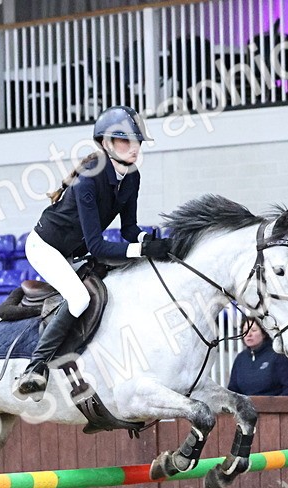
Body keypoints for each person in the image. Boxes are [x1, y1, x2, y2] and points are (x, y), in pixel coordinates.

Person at [15, 105, 177, 400]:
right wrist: (142, 250)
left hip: (75, 251)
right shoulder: (89, 178)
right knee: (79, 298)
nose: (135, 147)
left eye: (137, 141)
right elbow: (97, 247)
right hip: (45, 247)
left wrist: (149, 241)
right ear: (106, 143)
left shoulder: (132, 176)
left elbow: (129, 228)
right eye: (125, 140)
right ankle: (34, 367)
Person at [227, 321, 288, 396]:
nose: (248, 334)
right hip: (245, 403)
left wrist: (275, 402)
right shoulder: (240, 358)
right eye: (245, 331)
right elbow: (233, 390)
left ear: (264, 333)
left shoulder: (278, 355)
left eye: (254, 330)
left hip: (273, 402)